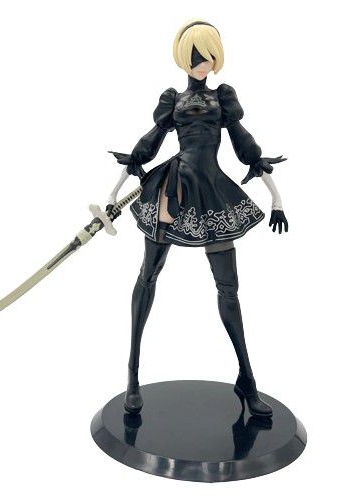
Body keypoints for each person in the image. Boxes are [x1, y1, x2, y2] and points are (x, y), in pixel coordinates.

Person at [107, 19, 288, 418]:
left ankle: (247, 379)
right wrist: (119, 183)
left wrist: (273, 190)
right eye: (193, 57)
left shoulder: (224, 98)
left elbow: (243, 143)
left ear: (215, 57)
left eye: (205, 56)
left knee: (229, 288)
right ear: (182, 58)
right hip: (172, 188)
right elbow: (150, 142)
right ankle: (132, 374)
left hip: (212, 190)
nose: (200, 63)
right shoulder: (172, 99)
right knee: (148, 275)